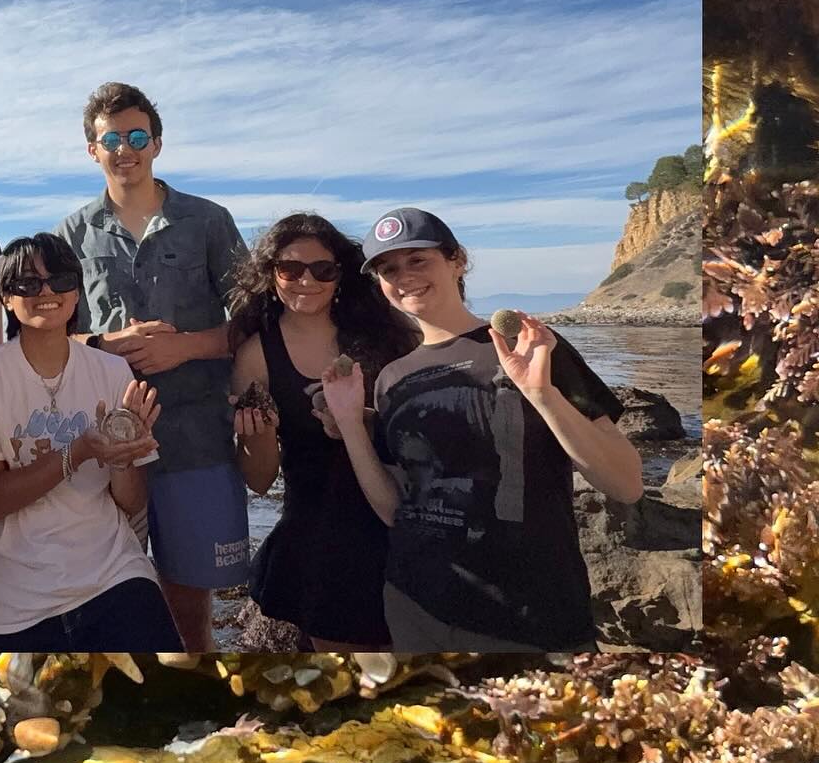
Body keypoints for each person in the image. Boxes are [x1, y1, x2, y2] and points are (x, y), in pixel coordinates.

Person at [319, 207, 643, 654]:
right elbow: (396, 511)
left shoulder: (527, 348)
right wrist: (351, 423)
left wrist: (542, 394)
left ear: (457, 261)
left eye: (418, 260)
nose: (404, 276)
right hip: (417, 611)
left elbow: (626, 483)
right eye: (388, 269)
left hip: (532, 619)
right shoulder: (393, 377)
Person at [55, 82, 249, 650]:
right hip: (105, 446)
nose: (125, 149)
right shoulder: (71, 233)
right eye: (111, 139)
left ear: (157, 144)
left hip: (197, 439)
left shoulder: (208, 221)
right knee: (104, 602)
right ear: (92, 150)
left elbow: (255, 322)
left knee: (189, 610)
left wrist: (184, 347)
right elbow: (49, 334)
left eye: (137, 137)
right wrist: (105, 342)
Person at [0, 233, 181, 652]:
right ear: (6, 298)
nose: (46, 292)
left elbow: (131, 502)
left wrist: (123, 454)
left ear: (76, 292)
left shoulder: (113, 371)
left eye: (60, 280)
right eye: (27, 283)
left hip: (113, 573)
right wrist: (79, 451)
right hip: (10, 594)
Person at [228, 213, 417, 647]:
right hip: (319, 533)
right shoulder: (257, 354)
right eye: (290, 269)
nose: (306, 281)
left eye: (322, 270)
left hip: (401, 514)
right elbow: (260, 481)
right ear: (271, 275)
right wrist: (258, 435)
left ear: (340, 275)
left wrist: (363, 419)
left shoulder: (390, 333)